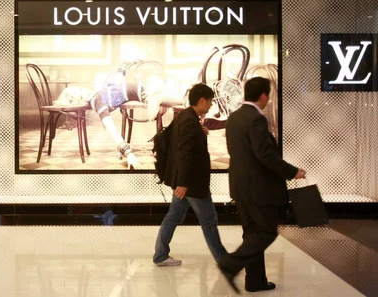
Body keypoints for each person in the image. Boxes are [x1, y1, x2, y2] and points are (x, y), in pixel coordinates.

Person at [217, 77, 306, 294]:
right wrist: (292, 171)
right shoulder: (256, 119)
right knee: (266, 232)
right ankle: (230, 264)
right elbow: (264, 154)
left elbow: (237, 152)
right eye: (268, 96)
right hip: (258, 189)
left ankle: (255, 281)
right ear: (264, 95)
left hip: (240, 187)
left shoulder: (235, 117)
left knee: (252, 233)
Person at [152, 83, 228, 267]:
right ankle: (225, 261)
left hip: (184, 181)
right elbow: (185, 153)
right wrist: (183, 182)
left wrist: (202, 134)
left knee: (174, 216)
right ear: (202, 100)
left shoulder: (186, 117)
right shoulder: (189, 121)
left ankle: (160, 255)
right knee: (209, 220)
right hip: (192, 183)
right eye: (210, 102)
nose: (211, 106)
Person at [90, 61, 183, 169]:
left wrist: (128, 64)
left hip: (148, 89)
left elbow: (120, 74)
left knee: (188, 100)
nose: (81, 91)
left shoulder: (104, 87)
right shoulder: (96, 101)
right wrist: (128, 153)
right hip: (147, 92)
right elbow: (111, 129)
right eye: (75, 95)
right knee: (187, 100)